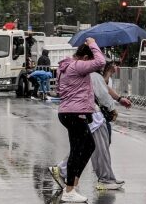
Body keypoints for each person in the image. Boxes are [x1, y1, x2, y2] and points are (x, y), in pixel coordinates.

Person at [53, 63, 129, 192]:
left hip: (81, 112)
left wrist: (118, 98)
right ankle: (103, 178)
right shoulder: (92, 74)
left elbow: (103, 88)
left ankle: (65, 171)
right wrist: (113, 108)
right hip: (93, 114)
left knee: (86, 146)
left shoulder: (80, 72)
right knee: (95, 147)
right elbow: (102, 93)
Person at [47, 38, 105, 204]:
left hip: (68, 112)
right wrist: (93, 43)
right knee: (78, 149)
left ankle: (72, 184)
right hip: (74, 113)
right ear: (85, 58)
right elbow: (100, 62)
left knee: (86, 146)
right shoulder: (78, 66)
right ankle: (70, 189)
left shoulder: (64, 67)